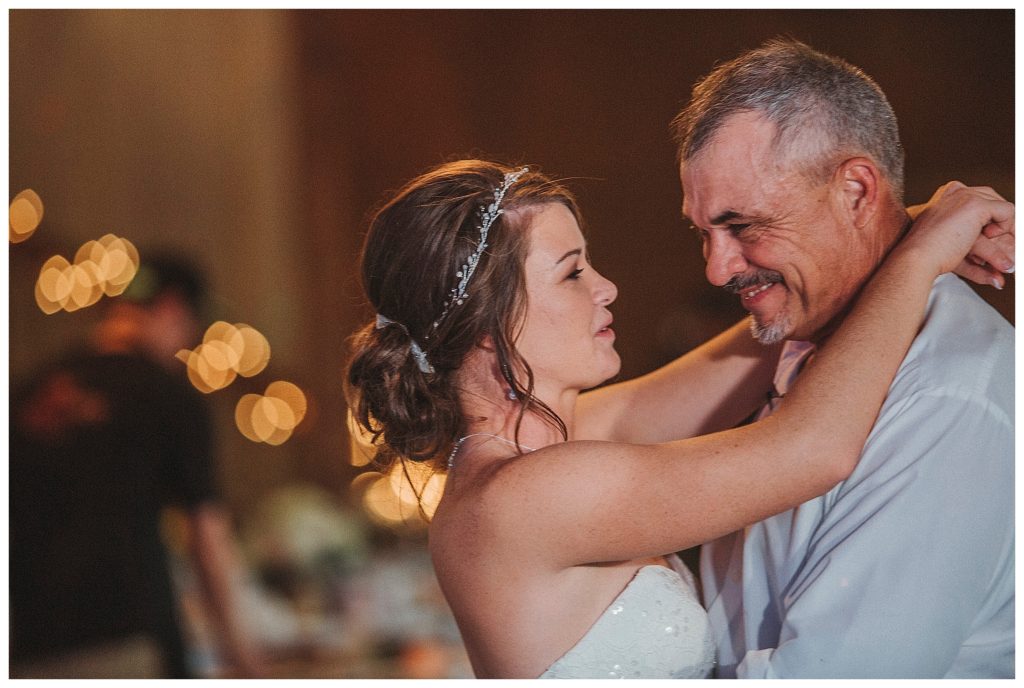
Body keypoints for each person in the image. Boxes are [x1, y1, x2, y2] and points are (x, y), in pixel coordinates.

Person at [344, 158, 1011, 678]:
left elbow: (765, 335)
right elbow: (812, 450)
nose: (607, 287)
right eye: (572, 273)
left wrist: (889, 229)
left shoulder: (528, 460)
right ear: (491, 326)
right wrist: (922, 258)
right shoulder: (529, 498)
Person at [671, 38, 1014, 678]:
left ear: (856, 191)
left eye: (744, 226)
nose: (719, 268)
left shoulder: (945, 396)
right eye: (704, 233)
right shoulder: (802, 327)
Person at [9, 255, 264, 678]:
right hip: (127, 636)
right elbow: (206, 533)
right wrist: (240, 652)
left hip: (29, 644)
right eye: (189, 332)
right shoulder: (166, 395)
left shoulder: (33, 389)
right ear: (171, 308)